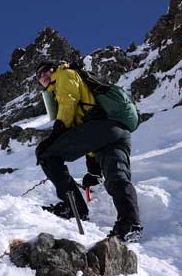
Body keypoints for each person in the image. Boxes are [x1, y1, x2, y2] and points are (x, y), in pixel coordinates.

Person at [34, 61, 143, 242]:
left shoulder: (64, 74)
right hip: (117, 131)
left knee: (47, 154)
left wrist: (57, 131)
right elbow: (87, 129)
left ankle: (74, 208)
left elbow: (69, 100)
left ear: (54, 69)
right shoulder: (75, 79)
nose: (43, 76)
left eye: (45, 71)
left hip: (101, 129)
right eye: (39, 77)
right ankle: (129, 224)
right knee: (117, 177)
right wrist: (93, 167)